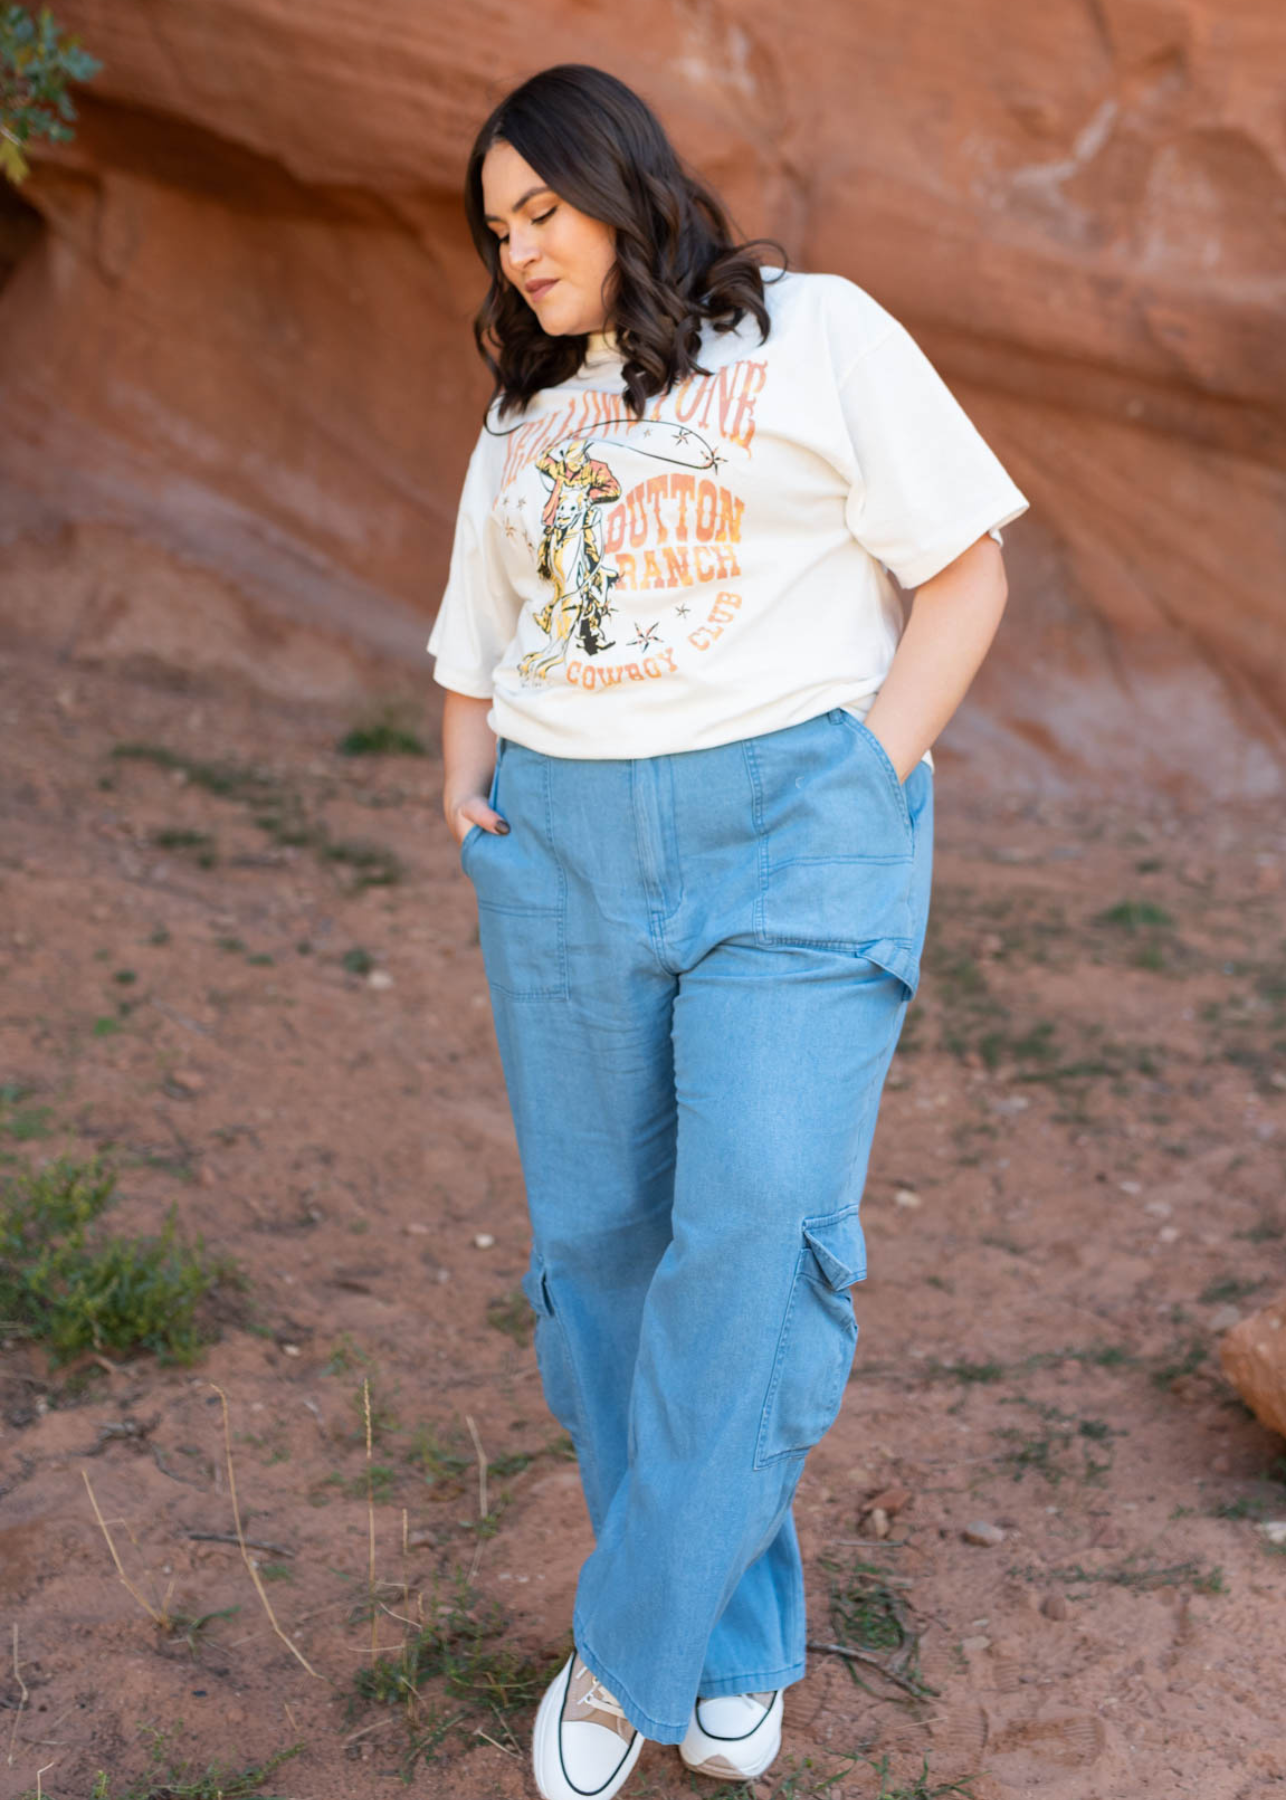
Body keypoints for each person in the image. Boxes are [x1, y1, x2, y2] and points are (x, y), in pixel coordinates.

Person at [428, 62, 1028, 1800]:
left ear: (620, 182)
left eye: (539, 208)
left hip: (795, 834)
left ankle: (626, 1659)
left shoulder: (817, 331)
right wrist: (467, 788)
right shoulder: (528, 411)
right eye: (494, 228)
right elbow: (476, 623)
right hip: (564, 846)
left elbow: (965, 569)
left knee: (754, 1221)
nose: (517, 248)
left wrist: (865, 772)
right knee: (609, 1252)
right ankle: (739, 1636)